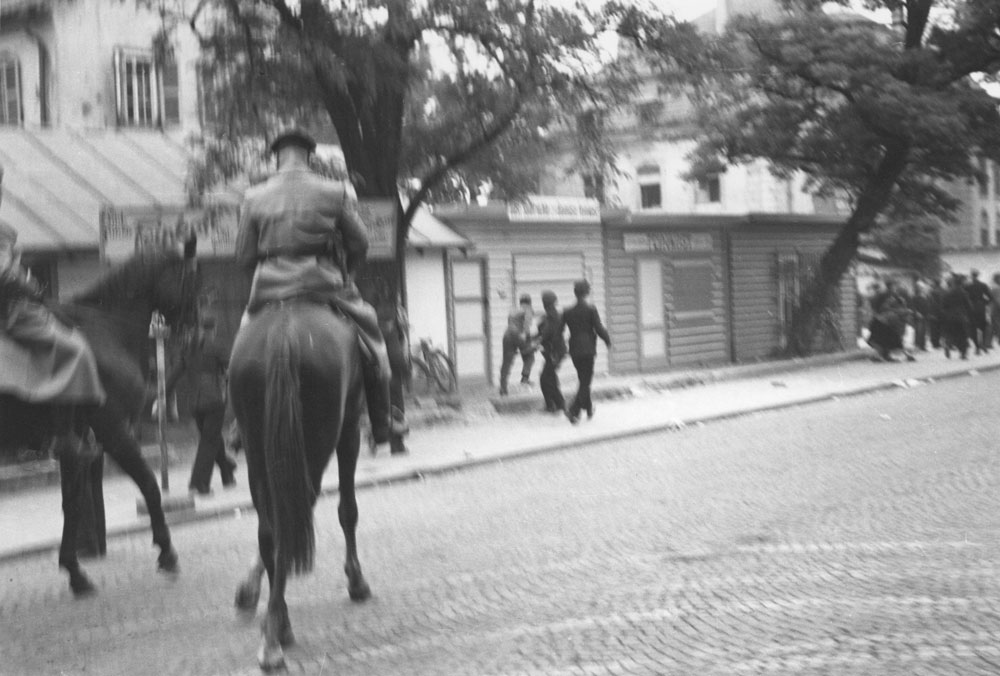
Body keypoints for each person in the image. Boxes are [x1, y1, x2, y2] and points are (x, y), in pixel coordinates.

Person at [234, 128, 401, 444]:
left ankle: (237, 427)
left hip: (269, 286)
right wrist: (347, 274)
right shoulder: (333, 191)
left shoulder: (254, 196)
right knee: (371, 337)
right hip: (323, 282)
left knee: (243, 342)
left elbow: (243, 256)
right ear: (309, 157)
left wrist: (260, 279)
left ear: (277, 158)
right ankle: (382, 421)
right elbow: (361, 242)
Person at [0, 168, 105, 456]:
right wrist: (31, 285)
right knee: (75, 348)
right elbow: (3, 273)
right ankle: (63, 436)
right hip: (9, 313)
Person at [165, 317, 235, 495]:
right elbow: (230, 370)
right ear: (213, 329)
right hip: (214, 400)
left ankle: (227, 473)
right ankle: (198, 483)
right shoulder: (216, 347)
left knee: (211, 437)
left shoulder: (189, 349)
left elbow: (172, 377)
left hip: (195, 404)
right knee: (209, 441)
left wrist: (162, 395)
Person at [562, 279, 610, 424]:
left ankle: (588, 408)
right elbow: (599, 328)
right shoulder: (591, 309)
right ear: (586, 292)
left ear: (575, 293)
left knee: (583, 379)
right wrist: (608, 340)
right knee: (585, 381)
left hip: (575, 350)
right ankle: (573, 410)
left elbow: (559, 330)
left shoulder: (567, 311)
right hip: (588, 349)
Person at [866, 278, 914, 362]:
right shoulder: (889, 295)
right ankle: (880, 356)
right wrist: (901, 311)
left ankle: (883, 356)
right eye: (895, 285)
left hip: (883, 320)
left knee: (886, 340)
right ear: (891, 286)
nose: (896, 286)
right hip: (884, 321)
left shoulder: (890, 295)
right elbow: (884, 307)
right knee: (887, 340)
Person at [535, 290, 566, 414]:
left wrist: (539, 341)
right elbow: (542, 333)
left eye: (545, 302)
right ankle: (557, 405)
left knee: (545, 379)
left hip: (555, 353)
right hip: (553, 352)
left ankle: (554, 405)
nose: (544, 304)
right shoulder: (549, 316)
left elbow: (550, 335)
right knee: (550, 378)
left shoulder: (553, 317)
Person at [499, 293, 536, 396]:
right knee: (530, 355)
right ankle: (525, 378)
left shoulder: (513, 310)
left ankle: (503, 388)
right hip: (517, 334)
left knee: (506, 363)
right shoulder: (528, 309)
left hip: (507, 335)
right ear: (529, 302)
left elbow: (511, 324)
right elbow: (527, 326)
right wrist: (528, 342)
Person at [940, 273, 973, 360]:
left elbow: (943, 306)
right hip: (961, 316)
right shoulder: (964, 293)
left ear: (953, 283)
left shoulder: (947, 293)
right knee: (963, 334)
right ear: (961, 284)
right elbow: (968, 306)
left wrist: (946, 314)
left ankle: (948, 344)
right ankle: (963, 353)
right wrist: (969, 315)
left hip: (949, 316)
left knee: (951, 332)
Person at [965, 269, 993, 354]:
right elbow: (990, 297)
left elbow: (965, 298)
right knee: (983, 327)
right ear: (978, 275)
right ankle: (983, 345)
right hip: (981, 308)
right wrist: (984, 303)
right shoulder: (983, 285)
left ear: (971, 276)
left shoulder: (967, 286)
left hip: (971, 308)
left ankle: (977, 347)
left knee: (973, 329)